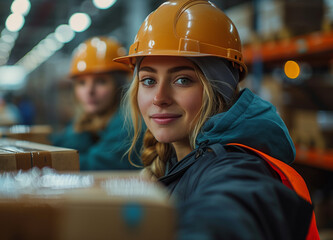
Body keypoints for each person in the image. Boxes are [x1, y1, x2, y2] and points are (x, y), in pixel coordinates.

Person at [114, 0, 320, 239]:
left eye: (182, 80)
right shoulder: (178, 161)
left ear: (219, 88)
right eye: (149, 80)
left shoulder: (236, 165)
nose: (159, 98)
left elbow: (230, 208)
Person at [51, 36, 142, 170]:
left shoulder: (128, 124)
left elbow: (92, 166)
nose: (89, 91)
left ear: (119, 86)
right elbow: (56, 143)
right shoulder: (88, 119)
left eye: (101, 81)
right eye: (82, 83)